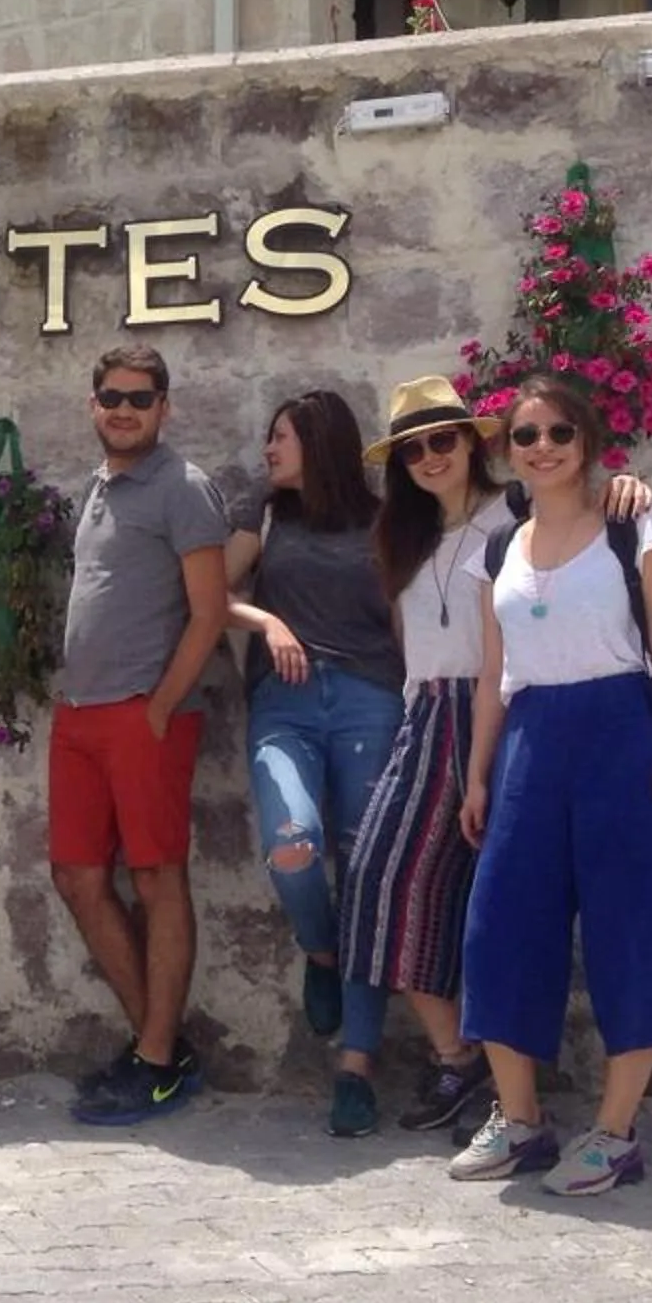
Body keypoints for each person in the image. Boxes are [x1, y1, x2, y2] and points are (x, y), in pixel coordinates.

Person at [336, 376, 652, 1140]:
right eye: (412, 449)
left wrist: (631, 486)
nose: (429, 457)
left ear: (474, 444)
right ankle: (460, 1055)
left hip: (517, 712)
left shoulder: (513, 512)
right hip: (432, 714)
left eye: (442, 439)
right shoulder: (403, 536)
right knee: (383, 880)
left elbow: (584, 504)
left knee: (510, 904)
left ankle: (520, 1097)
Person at [452, 376, 652, 1197]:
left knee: (633, 927)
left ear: (587, 441)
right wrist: (478, 773)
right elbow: (493, 674)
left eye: (560, 431)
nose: (543, 447)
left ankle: (616, 1134)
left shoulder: (633, 523)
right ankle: (521, 1122)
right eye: (526, 435)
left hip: (622, 733)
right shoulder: (499, 549)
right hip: (529, 742)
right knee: (498, 926)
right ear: (508, 450)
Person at [50, 347, 231, 1128]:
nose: (124, 410)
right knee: (77, 878)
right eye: (112, 397)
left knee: (157, 879)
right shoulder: (97, 487)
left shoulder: (183, 488)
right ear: (93, 404)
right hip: (80, 712)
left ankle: (156, 1061)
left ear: (165, 406)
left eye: (140, 398)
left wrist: (161, 706)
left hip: (143, 713)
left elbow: (210, 610)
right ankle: (161, 1047)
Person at [220, 390, 405, 1137]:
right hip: (285, 703)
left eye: (282, 437)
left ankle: (356, 1066)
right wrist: (268, 620)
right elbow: (208, 593)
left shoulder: (385, 521)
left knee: (365, 874)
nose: (269, 449)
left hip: (370, 701)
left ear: (320, 443)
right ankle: (321, 952)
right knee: (292, 843)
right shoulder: (266, 516)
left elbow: (405, 618)